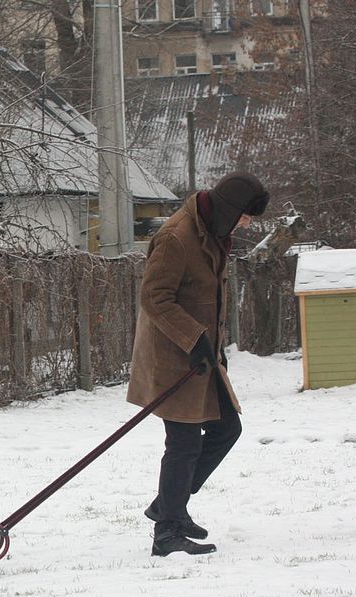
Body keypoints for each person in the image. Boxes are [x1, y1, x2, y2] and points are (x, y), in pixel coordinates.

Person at [127, 171, 269, 557]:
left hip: (202, 356)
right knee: (184, 442)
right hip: (174, 356)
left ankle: (168, 506)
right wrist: (194, 338)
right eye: (245, 217)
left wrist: (212, 347)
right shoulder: (176, 237)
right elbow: (155, 297)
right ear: (229, 209)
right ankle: (167, 532)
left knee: (226, 429)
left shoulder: (211, 232)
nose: (246, 224)